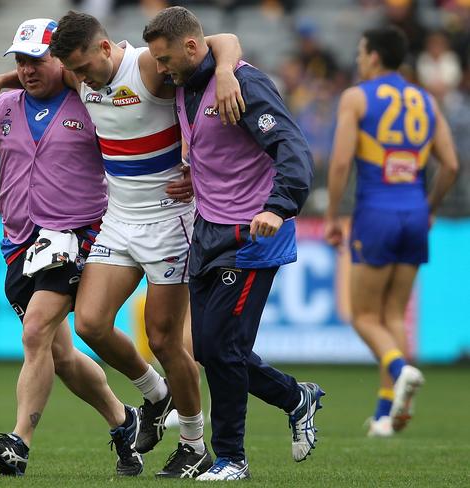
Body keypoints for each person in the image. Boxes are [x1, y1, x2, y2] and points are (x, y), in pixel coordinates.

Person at [0, 18, 146, 477]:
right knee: (59, 356)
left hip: (76, 236)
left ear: (63, 60)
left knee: (34, 333)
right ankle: (123, 420)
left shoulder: (89, 100)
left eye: (38, 59)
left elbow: (118, 73)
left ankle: (19, 442)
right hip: (20, 246)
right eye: (20, 61)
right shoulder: (5, 107)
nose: (28, 69)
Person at [45, 11, 245, 478]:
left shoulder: (147, 66)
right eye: (71, 70)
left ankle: (195, 444)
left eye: (83, 67)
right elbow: (35, 72)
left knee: (162, 338)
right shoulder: (79, 76)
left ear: (105, 46)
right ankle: (156, 395)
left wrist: (225, 71)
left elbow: (224, 38)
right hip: (118, 219)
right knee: (90, 323)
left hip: (168, 220)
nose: (78, 79)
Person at [143, 6, 324, 480]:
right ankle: (294, 397)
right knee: (210, 349)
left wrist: (278, 206)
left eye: (164, 60)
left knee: (221, 349)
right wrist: (195, 177)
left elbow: (293, 148)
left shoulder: (243, 84)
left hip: (249, 235)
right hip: (209, 230)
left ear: (189, 47)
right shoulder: (193, 82)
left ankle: (231, 459)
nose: (159, 70)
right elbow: (222, 144)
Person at [324, 26, 458, 437]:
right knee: (394, 315)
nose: (360, 60)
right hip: (415, 212)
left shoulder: (357, 97)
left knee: (364, 315)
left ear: (375, 56)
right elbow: (451, 165)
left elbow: (342, 162)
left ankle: (400, 371)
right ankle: (387, 413)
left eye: (362, 53)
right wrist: (429, 208)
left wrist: (331, 215)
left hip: (376, 213)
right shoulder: (426, 99)